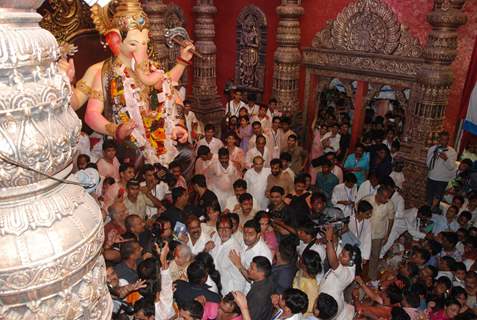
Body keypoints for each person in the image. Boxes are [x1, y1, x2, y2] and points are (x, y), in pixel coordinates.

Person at [320, 225, 361, 320]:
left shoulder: (348, 274)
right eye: (341, 252)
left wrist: (328, 240)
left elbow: (333, 262)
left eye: (343, 255)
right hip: (327, 298)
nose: (340, 255)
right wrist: (332, 231)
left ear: (351, 262)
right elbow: (335, 245)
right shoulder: (346, 262)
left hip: (330, 304)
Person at [229, 219, 273, 293]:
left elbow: (256, 281)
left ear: (259, 234)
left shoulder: (263, 254)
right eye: (245, 234)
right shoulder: (245, 242)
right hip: (237, 286)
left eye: (251, 234)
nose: (246, 237)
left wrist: (239, 265)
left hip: (249, 292)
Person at [363, 185, 395, 280]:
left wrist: (387, 235)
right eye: (385, 197)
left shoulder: (390, 204)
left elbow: (391, 220)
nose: (387, 199)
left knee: (375, 256)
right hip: (365, 233)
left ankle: (371, 276)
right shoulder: (367, 200)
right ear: (378, 194)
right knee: (362, 254)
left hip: (378, 234)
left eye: (388, 197)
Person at [210, 215, 246, 295]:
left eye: (227, 228)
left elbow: (240, 279)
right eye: (220, 228)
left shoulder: (235, 250)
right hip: (213, 287)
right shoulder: (216, 237)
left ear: (232, 229)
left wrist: (233, 298)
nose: (224, 232)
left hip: (227, 292)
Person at [427, 131, 458, 205]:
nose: (444, 141)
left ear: (448, 140)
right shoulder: (432, 149)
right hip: (431, 177)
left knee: (437, 200)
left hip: (442, 180)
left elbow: (451, 167)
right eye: (442, 139)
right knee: (429, 198)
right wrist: (434, 156)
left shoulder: (452, 152)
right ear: (439, 140)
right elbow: (428, 165)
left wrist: (446, 159)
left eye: (446, 139)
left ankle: (434, 212)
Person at [293, 250, 322, 316]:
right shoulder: (302, 271)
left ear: (305, 266)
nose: (299, 259)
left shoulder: (311, 287)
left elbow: (309, 309)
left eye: (301, 259)